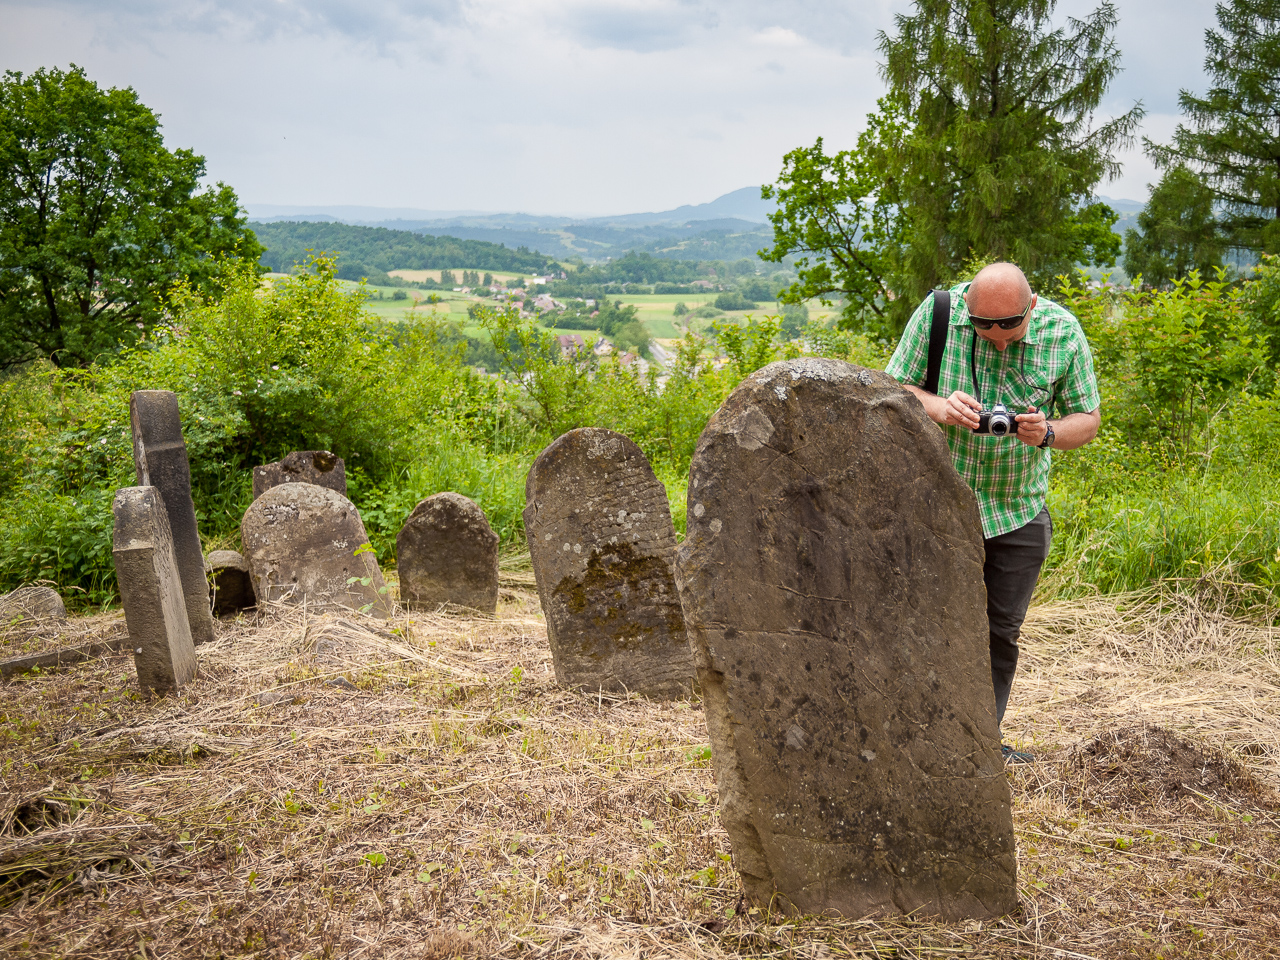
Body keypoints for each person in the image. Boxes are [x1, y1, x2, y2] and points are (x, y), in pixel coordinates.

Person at [885, 262, 1101, 762]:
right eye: (985, 327)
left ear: (1031, 308)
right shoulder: (938, 314)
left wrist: (1047, 433)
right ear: (967, 310)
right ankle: (913, 737)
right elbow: (891, 392)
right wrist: (939, 407)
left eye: (1010, 326)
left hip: (1018, 508)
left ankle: (978, 744)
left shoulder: (1062, 331)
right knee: (923, 622)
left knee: (999, 633)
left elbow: (1087, 421)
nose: (998, 338)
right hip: (935, 505)